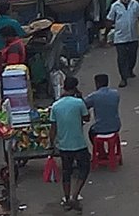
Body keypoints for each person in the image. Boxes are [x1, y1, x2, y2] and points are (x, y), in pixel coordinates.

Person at [49, 75, 91, 211]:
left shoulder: (55, 106)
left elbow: (53, 129)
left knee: (66, 172)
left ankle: (67, 199)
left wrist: (52, 144)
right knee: (84, 168)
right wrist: (80, 98)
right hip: (79, 144)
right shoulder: (78, 103)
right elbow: (87, 117)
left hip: (64, 145)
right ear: (75, 87)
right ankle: (75, 195)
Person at [105, 0, 139, 87]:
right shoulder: (115, 6)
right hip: (120, 38)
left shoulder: (135, 4)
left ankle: (130, 70)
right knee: (122, 58)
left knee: (133, 56)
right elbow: (110, 20)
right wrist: (106, 33)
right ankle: (123, 78)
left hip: (133, 36)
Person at [83, 73, 120, 146]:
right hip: (116, 126)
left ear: (97, 83)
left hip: (100, 128)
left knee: (91, 132)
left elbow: (84, 104)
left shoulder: (94, 96)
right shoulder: (115, 93)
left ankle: (100, 151)